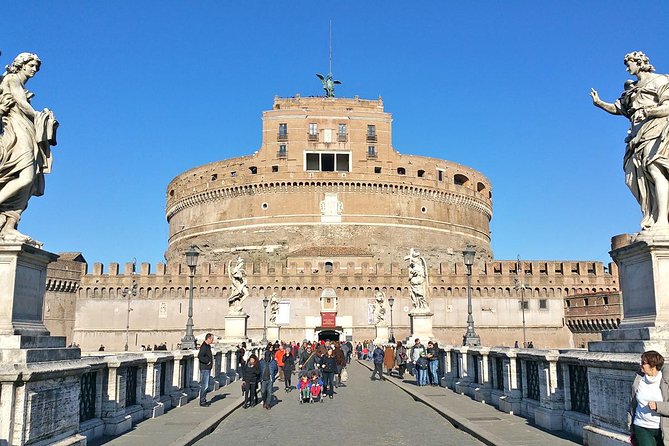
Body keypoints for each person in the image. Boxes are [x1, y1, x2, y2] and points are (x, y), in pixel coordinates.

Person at [591, 51, 669, 231]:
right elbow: (619, 109)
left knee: (655, 169)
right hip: (636, 135)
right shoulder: (632, 89)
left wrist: (650, 112)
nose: (627, 68)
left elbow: (667, 106)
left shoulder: (660, 81)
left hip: (656, 130)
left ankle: (663, 220)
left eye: (629, 63)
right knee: (634, 177)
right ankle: (651, 214)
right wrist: (600, 103)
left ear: (640, 62)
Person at [0, 52, 59, 241]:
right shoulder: (12, 79)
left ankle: (9, 224)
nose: (34, 70)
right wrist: (42, 116)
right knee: (25, 176)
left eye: (36, 67)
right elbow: (23, 105)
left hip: (27, 130)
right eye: (31, 65)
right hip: (17, 131)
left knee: (31, 178)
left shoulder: (20, 84)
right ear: (21, 64)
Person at [628, 350, 669, 445]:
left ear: (653, 365)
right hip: (641, 426)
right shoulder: (639, 379)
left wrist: (658, 406)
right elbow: (632, 404)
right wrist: (631, 427)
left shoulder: (665, 380)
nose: (640, 365)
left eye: (643, 363)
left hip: (663, 428)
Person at [197, 333, 214, 406]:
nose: (212, 341)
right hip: (205, 368)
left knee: (205, 385)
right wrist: (207, 361)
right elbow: (200, 356)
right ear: (208, 338)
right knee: (205, 385)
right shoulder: (204, 346)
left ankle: (203, 400)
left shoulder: (207, 346)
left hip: (207, 368)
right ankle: (202, 401)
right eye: (212, 339)